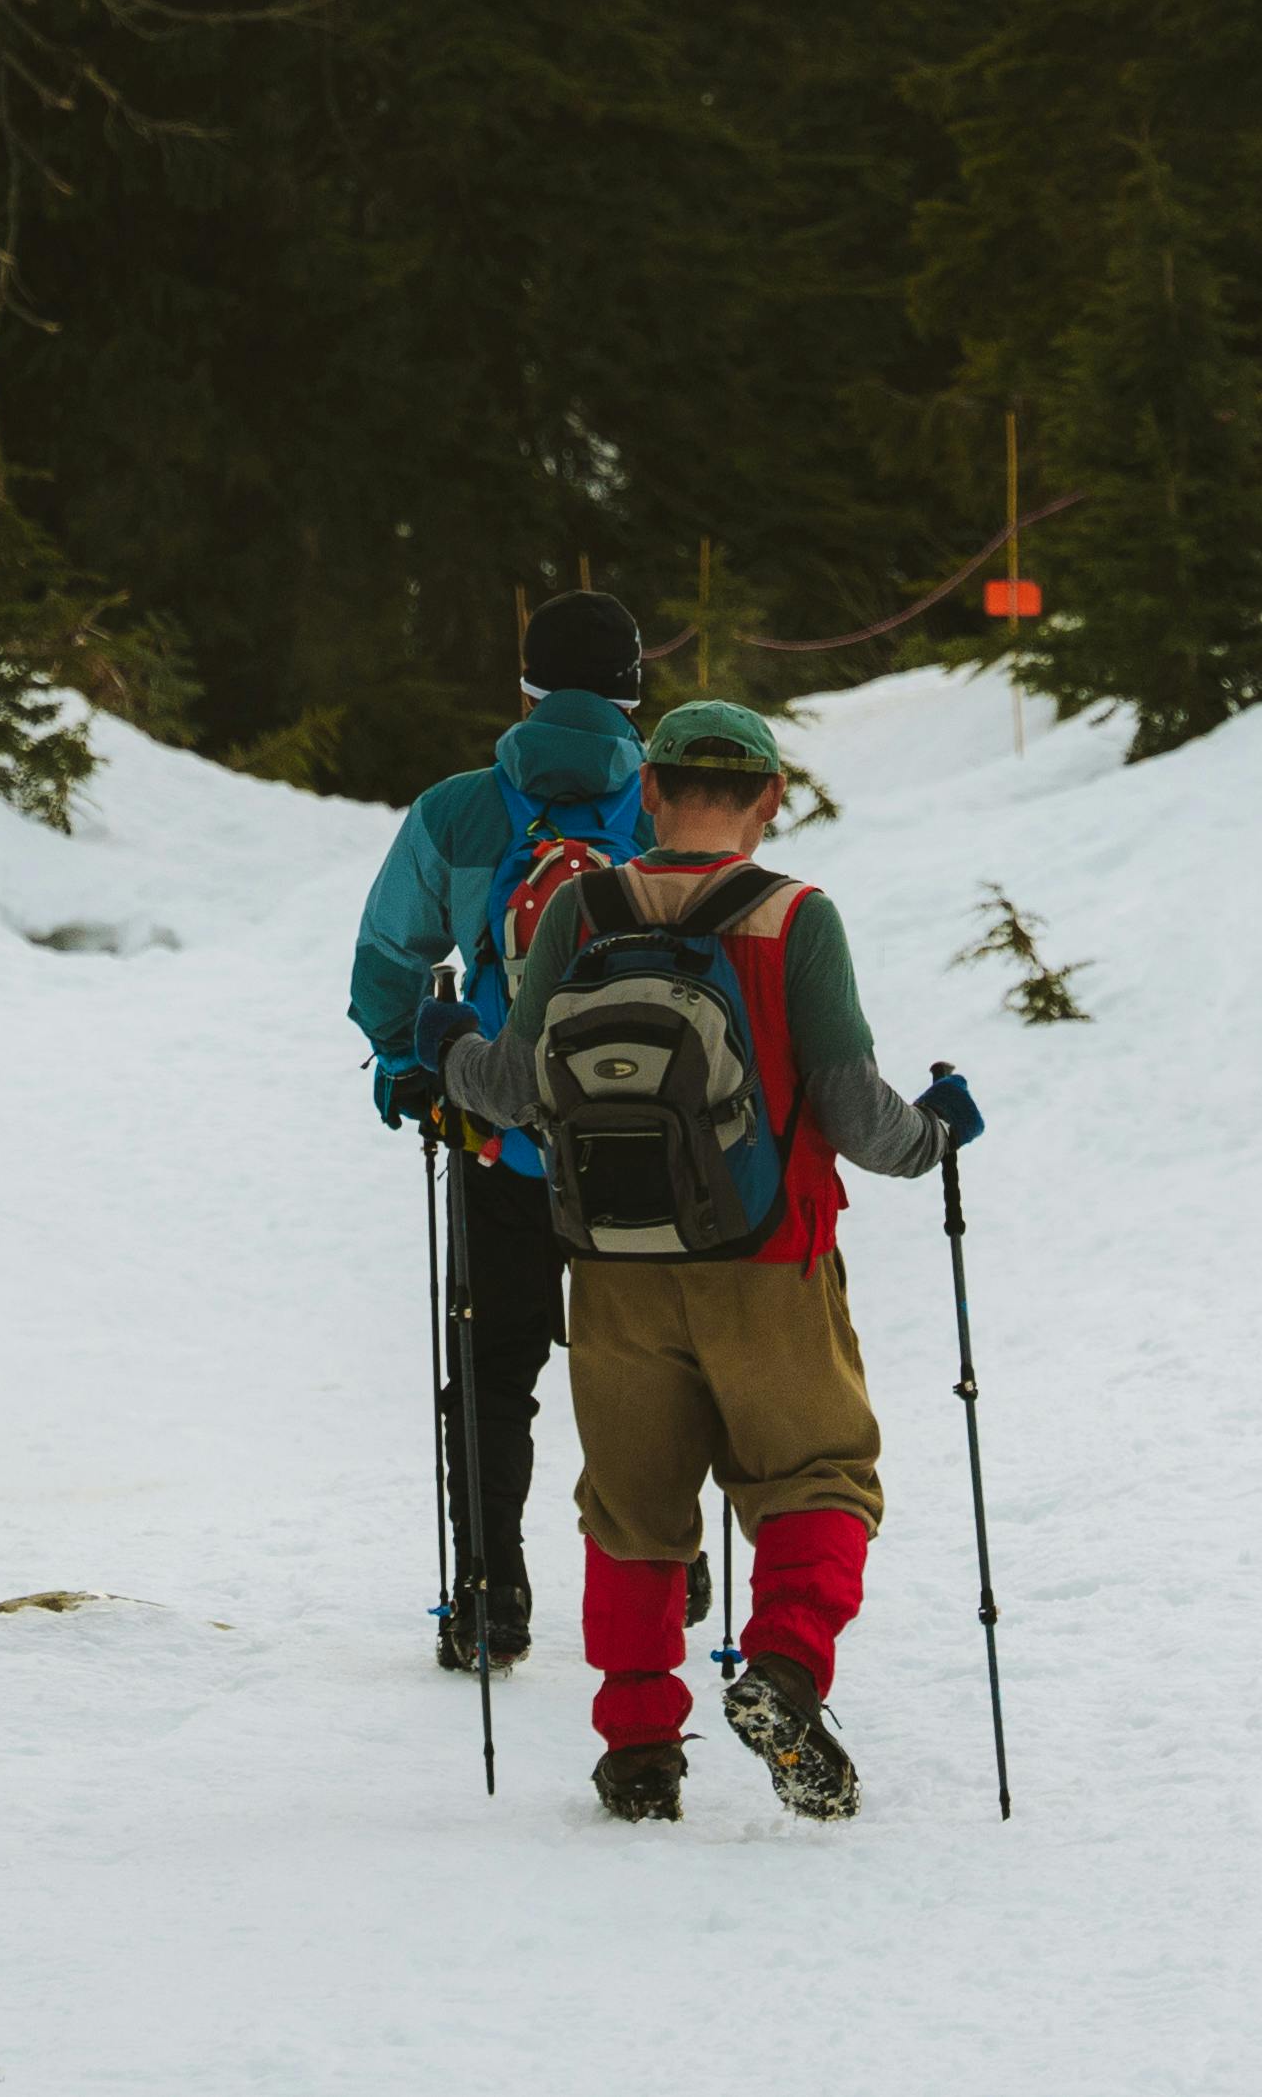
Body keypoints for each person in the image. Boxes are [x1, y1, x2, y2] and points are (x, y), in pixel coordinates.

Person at [422, 697, 983, 1824]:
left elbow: (517, 1086)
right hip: (773, 1264)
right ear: (768, 801)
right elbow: (859, 1118)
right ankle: (779, 1668)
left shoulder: (582, 909)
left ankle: (637, 1752)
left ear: (657, 795)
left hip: (615, 1274)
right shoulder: (794, 919)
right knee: (819, 1474)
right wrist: (939, 1131)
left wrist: (450, 1049)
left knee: (631, 1510)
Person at [346, 587, 652, 1671]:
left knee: (492, 1363)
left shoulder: (460, 811)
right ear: (633, 695)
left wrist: (407, 1062)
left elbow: (389, 957)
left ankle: (489, 1596)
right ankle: (661, 1558)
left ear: (525, 688)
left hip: (497, 1126)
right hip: (654, 1147)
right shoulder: (672, 805)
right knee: (652, 1358)